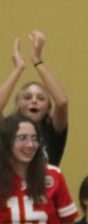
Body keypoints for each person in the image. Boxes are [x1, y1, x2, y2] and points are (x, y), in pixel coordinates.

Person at [0, 32, 69, 165]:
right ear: (18, 105)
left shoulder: (53, 129)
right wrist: (18, 69)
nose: (34, 100)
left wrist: (37, 60)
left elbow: (62, 103)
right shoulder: (8, 127)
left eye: (41, 98)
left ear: (48, 108)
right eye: (27, 97)